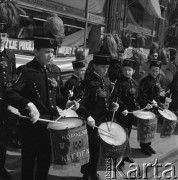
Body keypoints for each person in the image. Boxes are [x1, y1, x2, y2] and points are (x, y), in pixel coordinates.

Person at [4, 14, 81, 180]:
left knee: (45, 162)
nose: (51, 56)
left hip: (50, 125)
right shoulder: (25, 71)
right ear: (36, 51)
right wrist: (28, 104)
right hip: (31, 126)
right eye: (46, 52)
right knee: (29, 162)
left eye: (52, 52)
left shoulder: (55, 71)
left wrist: (67, 102)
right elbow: (9, 93)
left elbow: (56, 96)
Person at [80, 52, 119, 180]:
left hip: (103, 120)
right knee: (90, 148)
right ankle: (87, 173)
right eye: (103, 67)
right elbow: (81, 103)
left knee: (98, 149)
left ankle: (92, 171)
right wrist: (87, 117)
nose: (106, 70)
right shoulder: (88, 81)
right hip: (92, 120)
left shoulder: (106, 79)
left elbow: (108, 98)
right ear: (95, 65)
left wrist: (114, 104)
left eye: (107, 67)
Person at [139, 60, 172, 156]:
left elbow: (157, 96)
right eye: (153, 71)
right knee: (145, 128)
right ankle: (143, 146)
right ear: (149, 70)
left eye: (157, 71)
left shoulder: (157, 80)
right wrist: (150, 102)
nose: (155, 73)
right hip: (147, 107)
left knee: (151, 128)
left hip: (154, 108)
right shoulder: (144, 81)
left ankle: (148, 144)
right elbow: (141, 96)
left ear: (159, 71)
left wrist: (164, 98)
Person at [112, 58, 139, 167]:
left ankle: (125, 154)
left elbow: (136, 97)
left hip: (131, 113)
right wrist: (123, 108)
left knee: (128, 133)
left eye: (129, 70)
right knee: (121, 135)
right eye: (125, 69)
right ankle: (118, 158)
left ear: (134, 71)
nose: (127, 72)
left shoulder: (134, 83)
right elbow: (115, 96)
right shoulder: (120, 82)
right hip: (122, 113)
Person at [0, 22, 16, 180]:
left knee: (3, 137)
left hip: (5, 103)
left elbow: (12, 80)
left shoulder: (10, 55)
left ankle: (1, 168)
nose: (1, 38)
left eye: (3, 35)